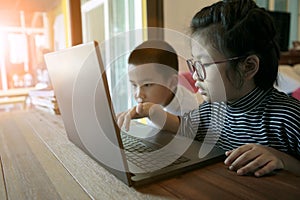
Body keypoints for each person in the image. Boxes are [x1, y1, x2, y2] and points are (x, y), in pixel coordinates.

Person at [117, 0, 300, 177]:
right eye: (194, 65)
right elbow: (183, 126)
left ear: (248, 66)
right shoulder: (212, 110)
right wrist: (152, 111)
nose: (195, 75)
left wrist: (283, 160)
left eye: (203, 64)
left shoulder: (289, 118)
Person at [123, 39, 198, 120]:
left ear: (172, 83)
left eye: (147, 85)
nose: (138, 95)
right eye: (134, 85)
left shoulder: (190, 113)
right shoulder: (155, 102)